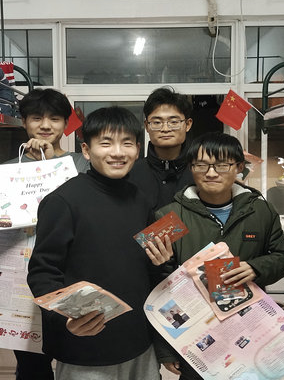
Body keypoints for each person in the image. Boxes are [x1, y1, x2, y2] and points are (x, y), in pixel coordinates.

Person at [27, 106, 173, 380]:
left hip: (139, 342)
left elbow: (145, 269)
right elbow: (42, 273)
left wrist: (160, 261)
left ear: (137, 149)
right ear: (86, 150)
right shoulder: (63, 201)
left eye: (127, 143)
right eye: (106, 143)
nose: (117, 152)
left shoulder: (140, 199)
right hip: (86, 345)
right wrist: (64, 319)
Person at [155, 131, 284, 380]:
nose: (211, 173)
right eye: (201, 165)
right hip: (196, 334)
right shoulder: (170, 217)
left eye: (222, 165)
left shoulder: (261, 211)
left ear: (239, 167)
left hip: (250, 328)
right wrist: (166, 350)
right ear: (191, 167)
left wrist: (256, 267)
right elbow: (160, 285)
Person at [0, 88, 89, 380]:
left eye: (55, 118)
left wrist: (50, 167)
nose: (45, 125)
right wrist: (11, 217)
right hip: (22, 277)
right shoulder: (6, 171)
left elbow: (89, 212)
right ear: (24, 122)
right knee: (32, 366)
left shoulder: (81, 164)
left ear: (65, 123)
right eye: (37, 118)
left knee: (77, 357)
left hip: (72, 272)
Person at [128, 87, 194, 210]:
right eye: (157, 122)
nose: (165, 129)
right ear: (147, 126)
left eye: (173, 122)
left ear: (188, 124)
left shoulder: (201, 173)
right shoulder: (131, 174)